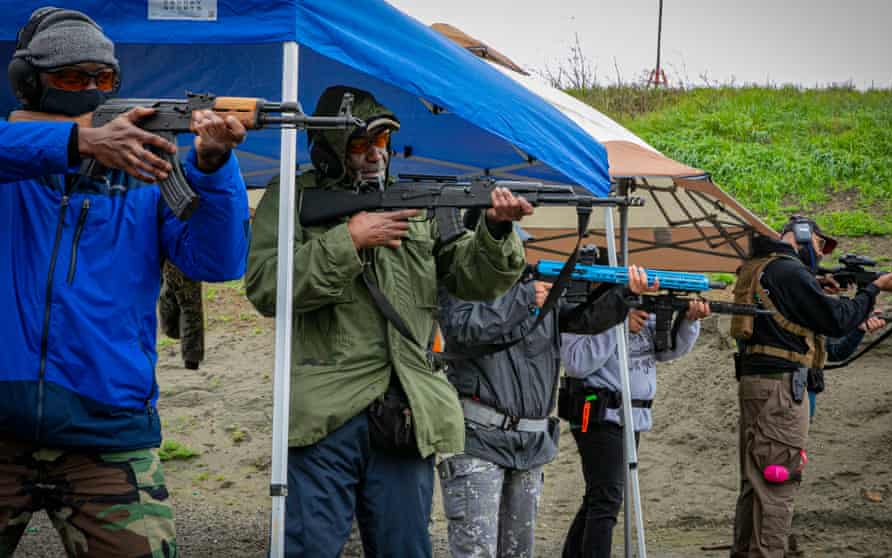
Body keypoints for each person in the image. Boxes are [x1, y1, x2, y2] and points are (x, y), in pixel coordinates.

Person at [0, 7, 250, 558]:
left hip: (108, 431)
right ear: (29, 83)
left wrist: (213, 168)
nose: (89, 89)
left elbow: (219, 262)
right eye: (70, 78)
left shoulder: (148, 167)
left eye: (103, 79)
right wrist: (80, 144)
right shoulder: (15, 156)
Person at [245, 85, 532, 558]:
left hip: (404, 409)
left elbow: (473, 281)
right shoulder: (294, 198)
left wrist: (497, 229)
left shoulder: (415, 203)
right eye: (361, 144)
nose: (376, 155)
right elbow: (265, 288)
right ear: (330, 149)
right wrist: (349, 241)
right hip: (325, 413)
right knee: (309, 548)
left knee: (406, 548)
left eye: (382, 143)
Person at [436, 233, 656, 558]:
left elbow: (585, 320)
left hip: (529, 445)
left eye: (517, 249)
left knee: (519, 552)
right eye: (506, 249)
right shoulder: (464, 289)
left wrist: (624, 295)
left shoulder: (537, 294)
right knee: (476, 551)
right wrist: (523, 299)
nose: (515, 257)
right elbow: (465, 329)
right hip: (478, 442)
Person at [729, 215, 892, 558]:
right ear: (803, 237)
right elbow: (836, 319)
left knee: (756, 484)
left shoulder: (759, 268)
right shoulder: (788, 271)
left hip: (759, 385)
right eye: (821, 245)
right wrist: (873, 289)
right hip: (780, 391)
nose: (822, 255)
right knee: (778, 484)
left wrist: (818, 293)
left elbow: (829, 340)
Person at [560, 295, 710, 558]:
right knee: (607, 499)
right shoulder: (584, 309)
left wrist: (688, 322)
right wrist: (618, 325)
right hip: (598, 414)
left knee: (600, 496)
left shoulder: (640, 307)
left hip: (632, 416)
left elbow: (666, 350)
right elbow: (576, 363)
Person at [159, 260, 206, 370]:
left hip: (185, 256)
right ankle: (191, 355)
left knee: (189, 304)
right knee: (188, 305)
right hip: (180, 255)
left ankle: (192, 359)